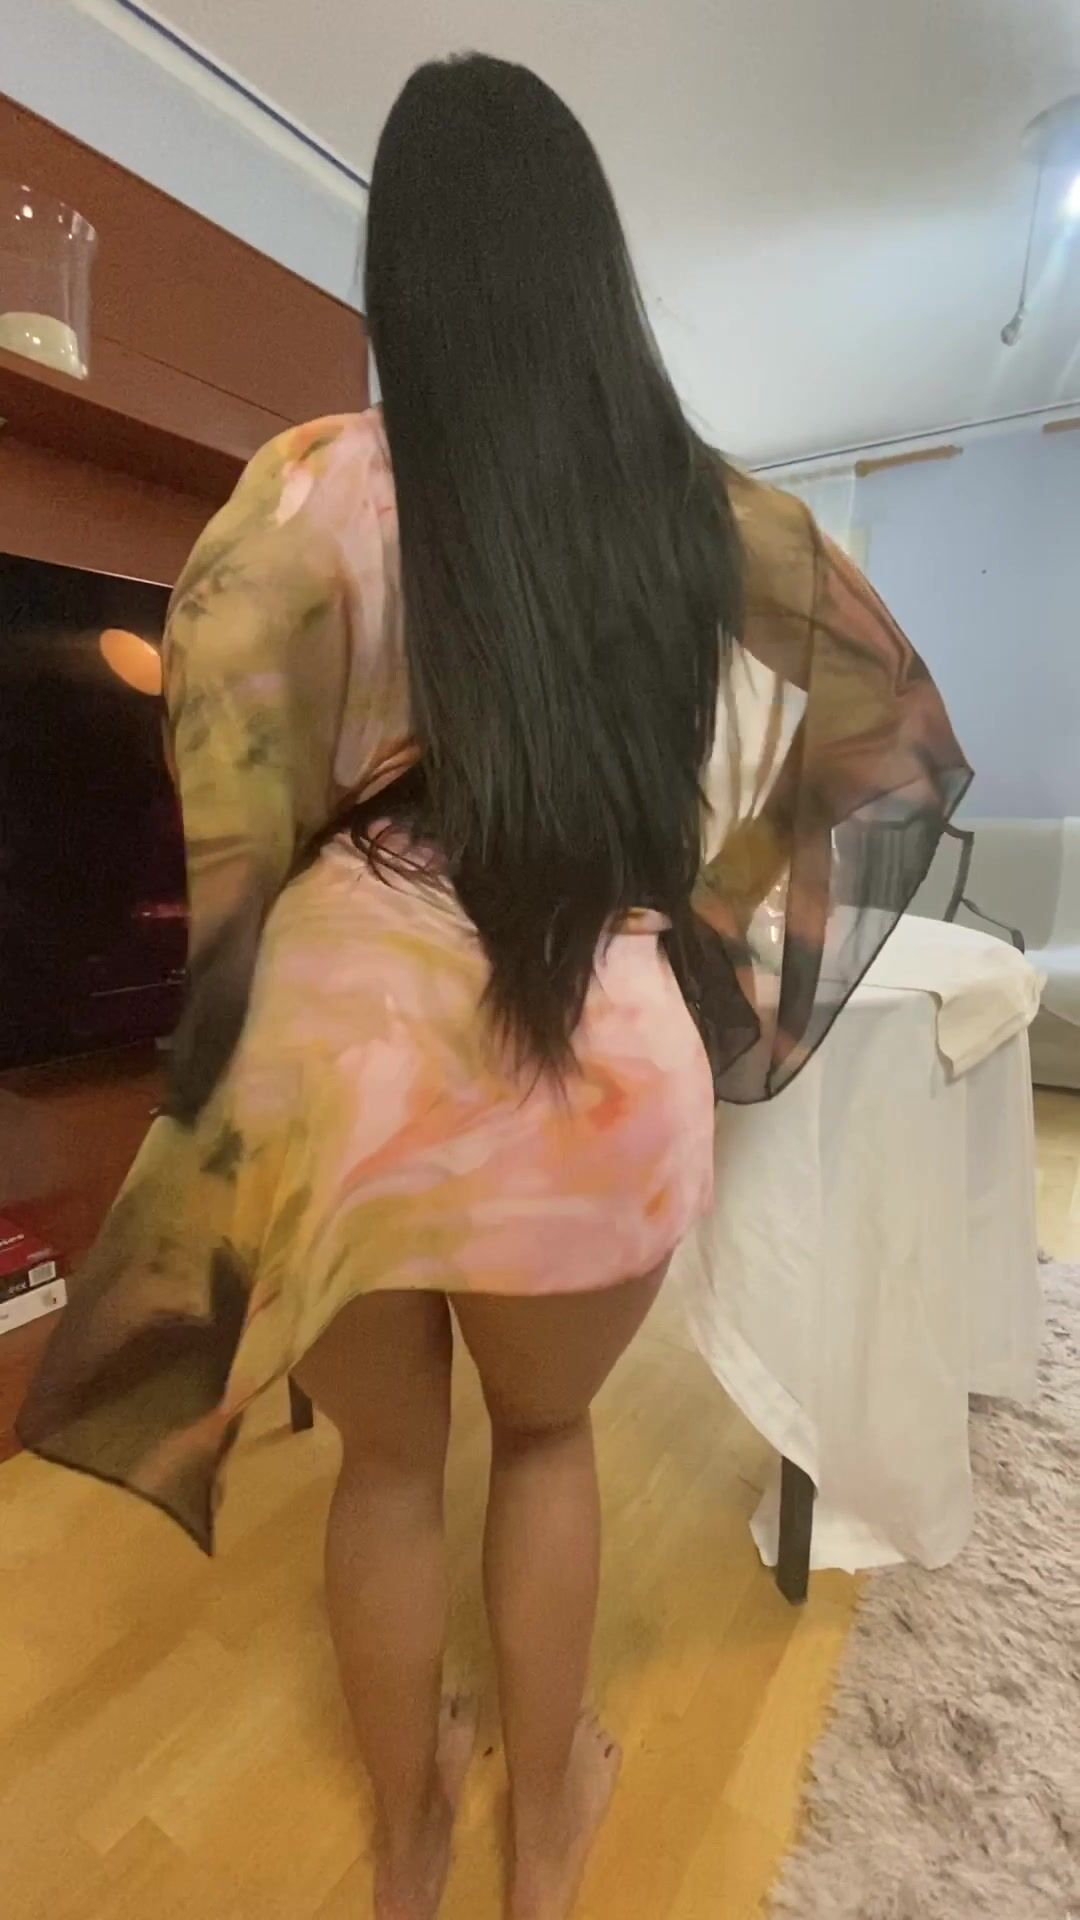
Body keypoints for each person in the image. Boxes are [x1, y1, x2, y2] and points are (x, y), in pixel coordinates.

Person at [19, 54, 971, 1920]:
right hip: (597, 1061)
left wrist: (272, 936)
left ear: (409, 281)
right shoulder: (691, 511)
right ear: (589, 269)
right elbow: (894, 727)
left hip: (342, 1069)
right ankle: (546, 1849)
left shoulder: (314, 482)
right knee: (545, 1444)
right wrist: (716, 920)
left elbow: (214, 722)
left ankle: (410, 1847)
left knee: (384, 1470)